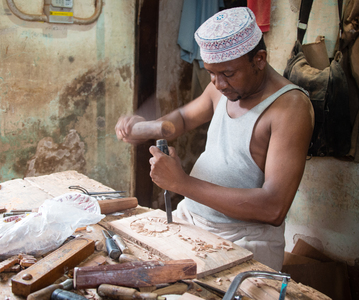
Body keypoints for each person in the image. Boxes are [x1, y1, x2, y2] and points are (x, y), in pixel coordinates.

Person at [115, 7, 314, 271]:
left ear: (260, 59)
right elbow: (184, 119)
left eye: (228, 74)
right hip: (191, 219)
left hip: (244, 240)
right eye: (211, 73)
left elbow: (273, 208)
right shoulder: (224, 86)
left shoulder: (290, 109)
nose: (218, 84)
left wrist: (182, 183)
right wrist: (147, 127)